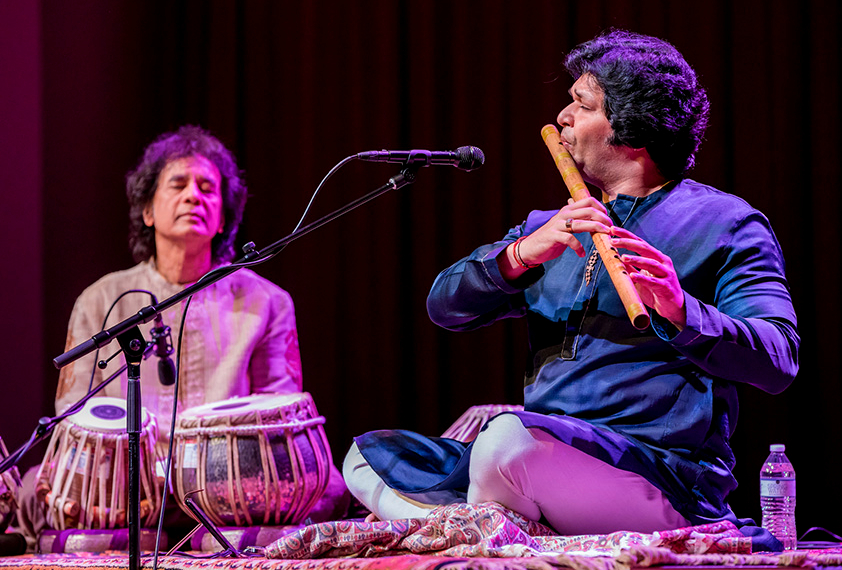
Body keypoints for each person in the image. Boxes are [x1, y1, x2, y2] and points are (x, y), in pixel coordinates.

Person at [343, 30, 798, 547]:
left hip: (655, 472)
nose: (561, 117)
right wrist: (518, 256)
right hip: (547, 455)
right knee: (369, 455)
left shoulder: (725, 223)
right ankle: (503, 520)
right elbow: (443, 306)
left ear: (631, 127)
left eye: (580, 105)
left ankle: (483, 522)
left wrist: (682, 311)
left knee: (505, 445)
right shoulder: (552, 225)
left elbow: (779, 358)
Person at [17, 125, 348, 547]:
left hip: (228, 484)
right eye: (178, 184)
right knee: (34, 485)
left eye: (208, 188)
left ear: (223, 217)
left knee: (331, 487)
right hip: (126, 487)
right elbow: (73, 411)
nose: (194, 195)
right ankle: (190, 537)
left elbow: (278, 412)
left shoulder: (267, 301)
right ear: (148, 211)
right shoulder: (100, 300)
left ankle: (142, 538)